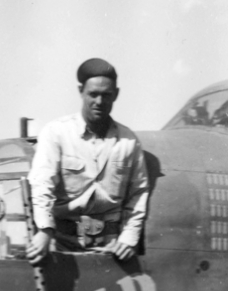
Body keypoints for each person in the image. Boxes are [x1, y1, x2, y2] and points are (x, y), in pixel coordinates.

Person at [27, 58, 149, 264]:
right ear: (81, 91)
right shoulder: (57, 133)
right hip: (62, 243)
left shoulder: (129, 142)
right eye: (93, 94)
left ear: (116, 94)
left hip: (112, 248)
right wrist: (45, 230)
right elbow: (42, 183)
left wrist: (129, 239)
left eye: (106, 95)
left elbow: (138, 192)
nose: (99, 102)